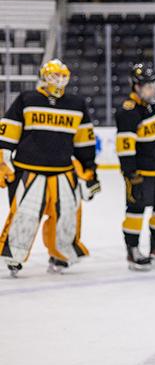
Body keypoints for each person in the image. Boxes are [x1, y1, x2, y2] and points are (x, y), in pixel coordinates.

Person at [0, 59, 99, 276]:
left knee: (66, 216)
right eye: (55, 75)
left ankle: (61, 255)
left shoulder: (76, 104)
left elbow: (85, 141)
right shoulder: (27, 99)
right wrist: (3, 163)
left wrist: (90, 170)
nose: (59, 80)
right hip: (28, 171)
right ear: (43, 76)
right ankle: (14, 257)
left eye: (63, 76)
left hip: (63, 171)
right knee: (24, 216)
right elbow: (7, 133)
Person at [116, 64, 155, 270]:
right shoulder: (128, 112)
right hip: (139, 173)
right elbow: (125, 147)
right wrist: (131, 174)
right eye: (148, 87)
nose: (153, 90)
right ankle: (132, 250)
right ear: (136, 87)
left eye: (154, 85)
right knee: (136, 209)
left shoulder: (154, 106)